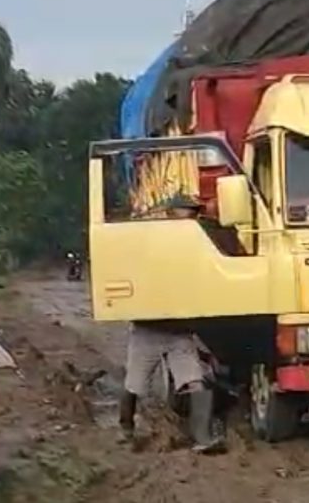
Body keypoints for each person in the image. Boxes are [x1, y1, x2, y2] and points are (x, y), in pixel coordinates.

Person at [119, 192, 227, 454]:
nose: (191, 216)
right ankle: (125, 430)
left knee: (194, 381)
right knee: (135, 384)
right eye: (185, 211)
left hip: (180, 331)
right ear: (170, 213)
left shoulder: (199, 243)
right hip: (148, 328)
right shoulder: (151, 243)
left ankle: (202, 437)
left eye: (194, 212)